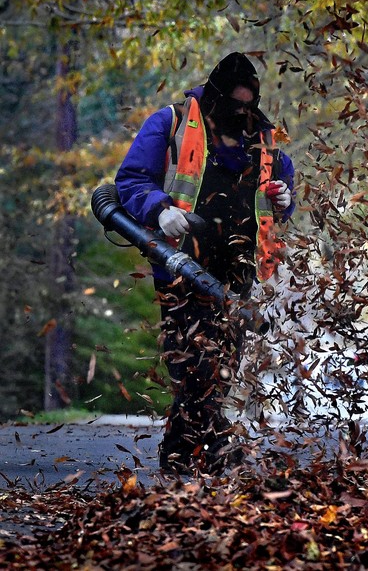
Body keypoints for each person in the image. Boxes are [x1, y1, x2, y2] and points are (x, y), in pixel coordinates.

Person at [114, 52, 295, 474]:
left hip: (237, 274)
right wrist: (159, 209)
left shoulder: (264, 139)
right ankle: (209, 456)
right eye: (233, 102)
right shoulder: (171, 123)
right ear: (214, 96)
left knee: (222, 370)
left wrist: (285, 201)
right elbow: (130, 181)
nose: (240, 112)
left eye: (247, 104)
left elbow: (281, 189)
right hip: (180, 266)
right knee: (193, 366)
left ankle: (185, 460)